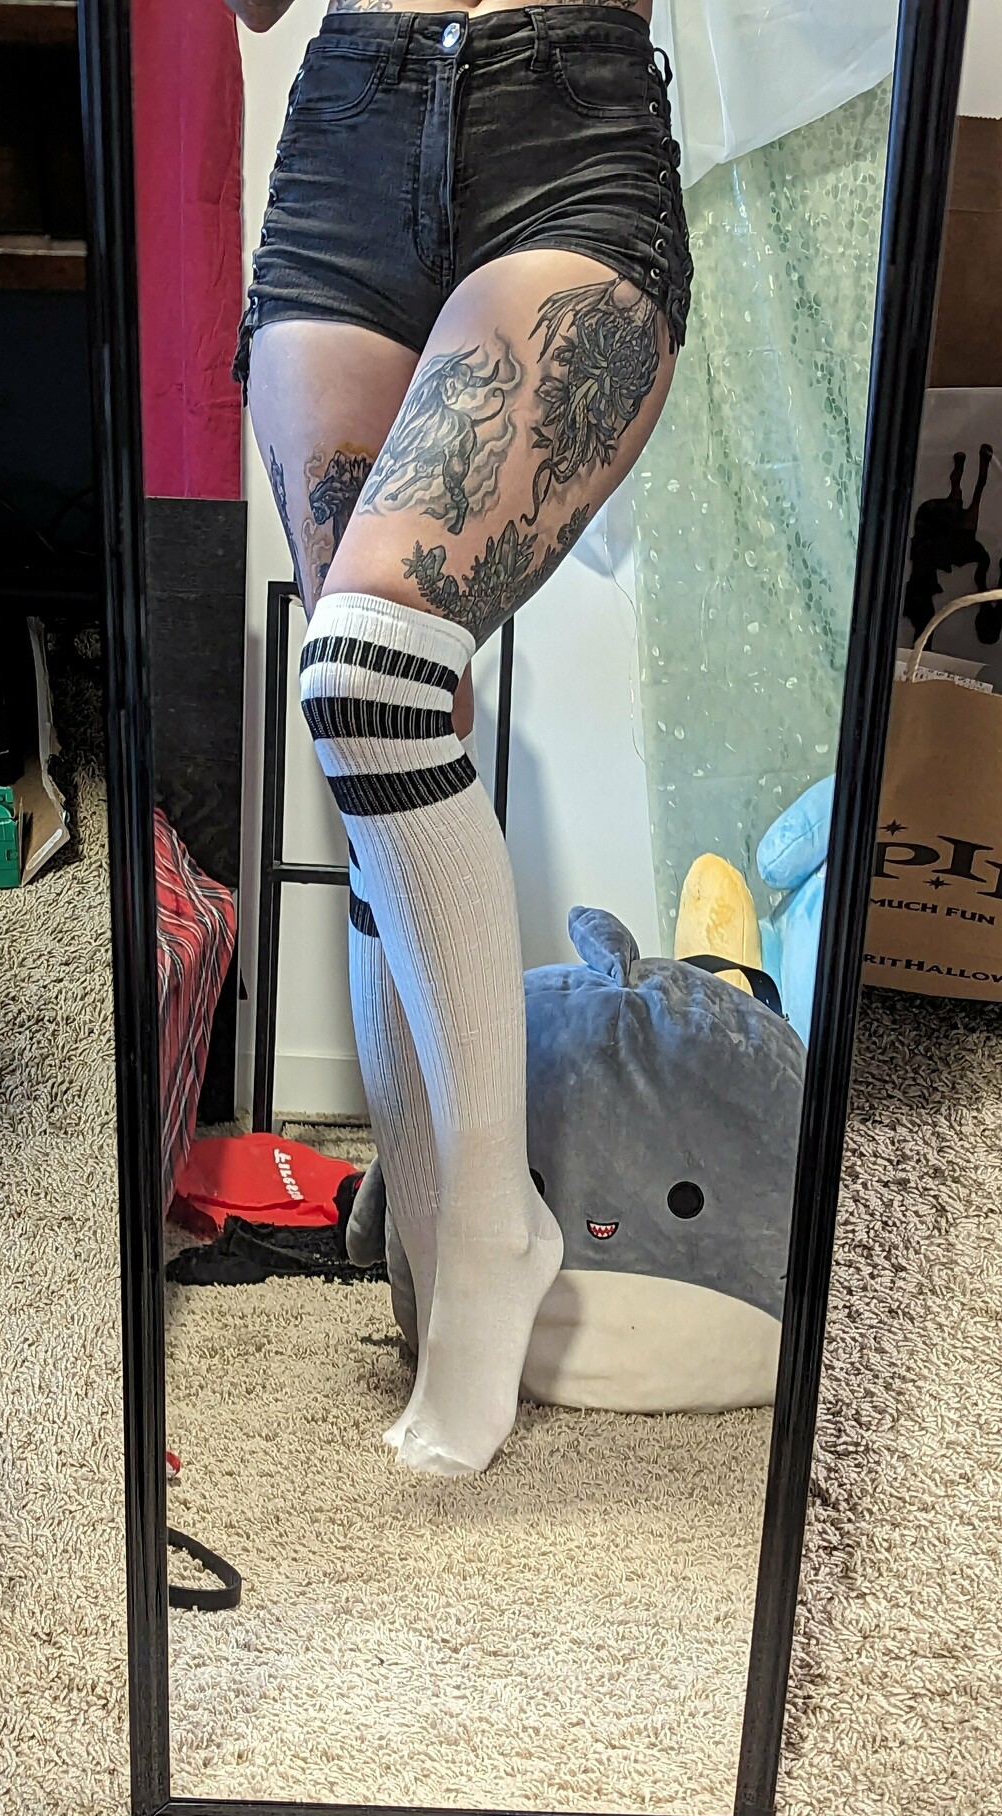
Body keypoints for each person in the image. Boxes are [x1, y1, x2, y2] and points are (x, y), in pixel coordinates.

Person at [225, 0, 693, 1475]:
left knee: (367, 671)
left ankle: (492, 1235)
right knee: (389, 714)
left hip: (567, 124)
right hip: (345, 133)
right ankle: (428, 1245)